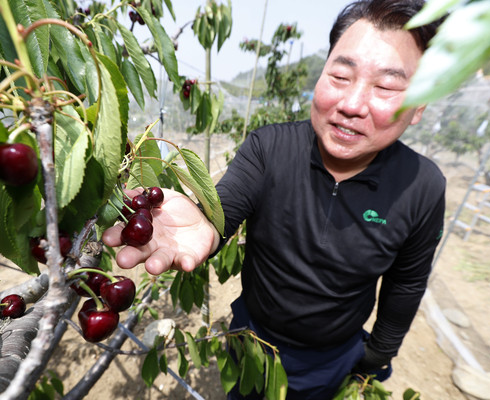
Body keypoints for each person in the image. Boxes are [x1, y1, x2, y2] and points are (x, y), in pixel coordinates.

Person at [103, 0, 446, 398]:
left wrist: (378, 353)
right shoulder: (270, 147)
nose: (351, 105)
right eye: (339, 75)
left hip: (330, 357)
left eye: (386, 86)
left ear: (419, 104)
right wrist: (203, 222)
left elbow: (406, 283)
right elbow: (223, 210)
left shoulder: (422, 186)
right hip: (252, 339)